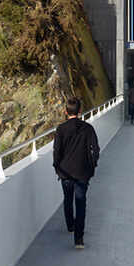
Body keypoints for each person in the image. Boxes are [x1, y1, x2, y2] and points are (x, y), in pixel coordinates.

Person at [53, 97, 100, 250]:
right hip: (82, 172)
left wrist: (58, 169)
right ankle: (78, 239)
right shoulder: (88, 128)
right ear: (80, 111)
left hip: (65, 172)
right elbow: (95, 150)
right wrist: (91, 167)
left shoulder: (60, 129)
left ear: (66, 111)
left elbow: (57, 153)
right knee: (81, 204)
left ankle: (70, 225)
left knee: (68, 198)